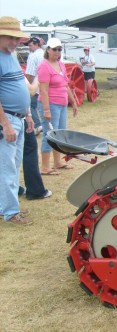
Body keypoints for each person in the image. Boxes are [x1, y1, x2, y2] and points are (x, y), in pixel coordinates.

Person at [0, 16, 34, 225]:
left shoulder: (11, 56)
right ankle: (11, 213)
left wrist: (28, 114)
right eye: (11, 37)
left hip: (19, 118)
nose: (15, 42)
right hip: (9, 120)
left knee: (14, 165)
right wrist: (5, 123)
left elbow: (20, 86)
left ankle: (6, 206)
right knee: (8, 168)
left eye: (17, 38)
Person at [38, 37, 78, 175]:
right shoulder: (44, 65)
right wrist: (46, 109)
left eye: (59, 49)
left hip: (61, 103)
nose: (57, 52)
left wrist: (73, 101)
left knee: (60, 134)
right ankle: (45, 166)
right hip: (51, 104)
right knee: (49, 134)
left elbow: (65, 84)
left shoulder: (60, 64)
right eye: (54, 49)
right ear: (47, 49)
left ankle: (57, 161)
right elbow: (43, 90)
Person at [23, 37, 52, 200]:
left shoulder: (33, 57)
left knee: (27, 151)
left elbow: (29, 85)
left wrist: (27, 115)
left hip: (21, 114)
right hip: (12, 116)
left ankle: (32, 189)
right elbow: (30, 87)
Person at [24, 36, 43, 135]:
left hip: (35, 86)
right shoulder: (44, 54)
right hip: (44, 86)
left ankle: (37, 125)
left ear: (36, 44)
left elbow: (30, 74)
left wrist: (27, 85)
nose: (29, 47)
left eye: (30, 45)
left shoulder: (33, 56)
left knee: (30, 104)